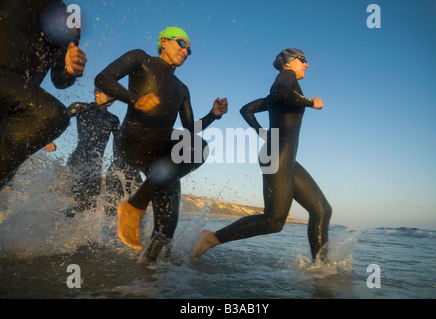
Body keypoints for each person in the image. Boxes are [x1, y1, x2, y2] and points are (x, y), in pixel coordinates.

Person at [95, 27, 228, 261]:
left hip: (160, 154)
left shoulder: (182, 89)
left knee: (166, 231)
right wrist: (135, 100)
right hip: (133, 140)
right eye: (181, 43)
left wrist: (212, 115)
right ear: (164, 42)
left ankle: (149, 279)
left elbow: (189, 130)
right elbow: (102, 79)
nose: (186, 51)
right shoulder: (141, 59)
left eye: (189, 49)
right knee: (197, 147)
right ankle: (134, 205)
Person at [192, 49, 332, 262]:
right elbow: (281, 91)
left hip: (284, 157)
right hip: (277, 154)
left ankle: (323, 270)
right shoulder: (287, 77)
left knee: (321, 209)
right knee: (274, 221)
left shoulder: (282, 91)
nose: (306, 64)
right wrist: (311, 102)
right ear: (288, 62)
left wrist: (260, 131)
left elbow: (246, 109)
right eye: (303, 60)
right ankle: (211, 238)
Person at [0, 0, 87, 191]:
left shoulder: (70, 18)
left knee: (5, 176)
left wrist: (72, 69)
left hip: (15, 106)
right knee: (52, 115)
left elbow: (60, 80)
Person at [45, 88, 125, 216]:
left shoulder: (113, 119)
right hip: (78, 162)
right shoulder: (81, 107)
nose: (112, 97)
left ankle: (64, 225)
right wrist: (48, 139)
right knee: (82, 204)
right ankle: (53, 219)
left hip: (95, 168)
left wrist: (118, 164)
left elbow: (118, 145)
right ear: (97, 93)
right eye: (108, 93)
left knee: (90, 208)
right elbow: (60, 118)